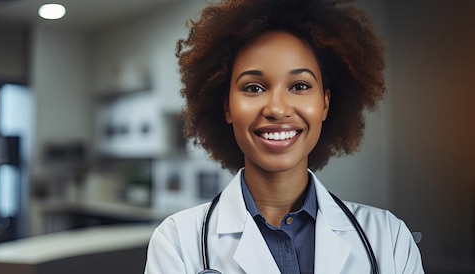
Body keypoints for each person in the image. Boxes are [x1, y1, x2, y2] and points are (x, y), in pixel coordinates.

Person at [145, 0, 424, 273]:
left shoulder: (389, 239)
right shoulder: (177, 243)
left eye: (300, 85)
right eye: (253, 88)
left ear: (325, 104)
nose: (277, 109)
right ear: (227, 107)